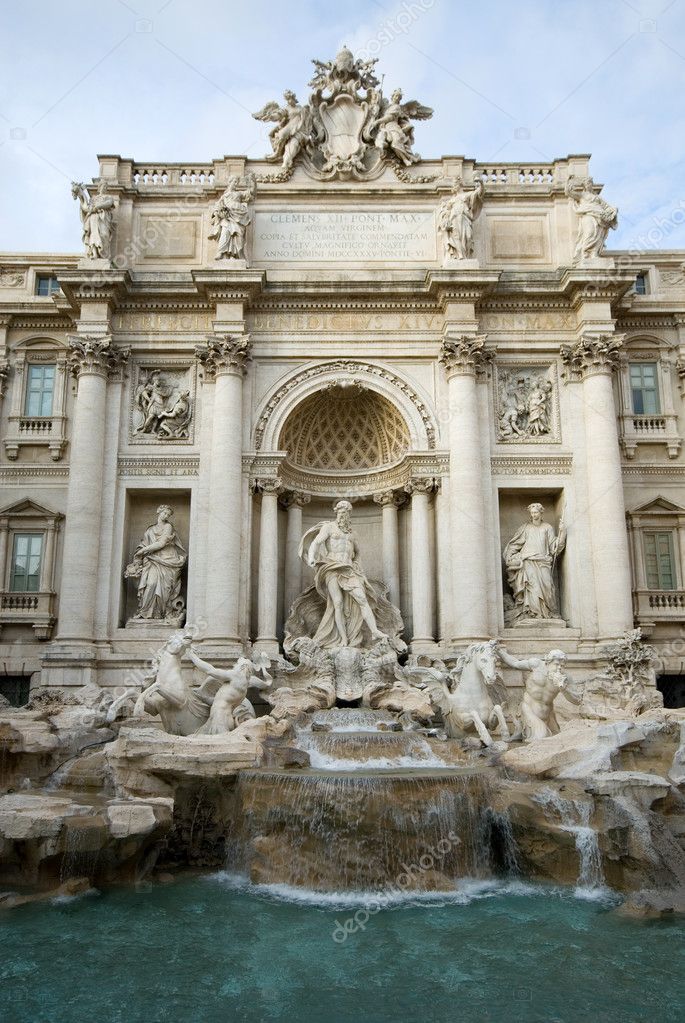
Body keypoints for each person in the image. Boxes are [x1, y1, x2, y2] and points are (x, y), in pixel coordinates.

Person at [300, 500, 386, 649]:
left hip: (348, 569)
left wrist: (358, 567)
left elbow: (357, 553)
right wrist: (312, 557)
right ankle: (343, 639)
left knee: (362, 599)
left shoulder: (352, 534)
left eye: (345, 512)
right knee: (337, 603)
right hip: (332, 568)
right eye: (340, 512)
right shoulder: (329, 527)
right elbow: (316, 542)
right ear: (336, 513)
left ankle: (374, 631)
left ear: (348, 514)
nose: (342, 515)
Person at [503, 503, 565, 622]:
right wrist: (510, 556)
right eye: (532, 513)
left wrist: (562, 533)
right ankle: (532, 613)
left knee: (548, 588)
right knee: (532, 588)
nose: (533, 515)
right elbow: (515, 544)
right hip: (528, 561)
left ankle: (548, 613)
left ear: (541, 513)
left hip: (543, 562)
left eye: (536, 512)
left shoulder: (547, 528)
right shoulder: (525, 528)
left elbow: (555, 548)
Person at [125, 505, 187, 622]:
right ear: (159, 512)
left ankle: (160, 614)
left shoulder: (168, 526)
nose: (166, 516)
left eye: (168, 515)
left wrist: (143, 551)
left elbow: (161, 543)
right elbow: (143, 543)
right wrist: (140, 553)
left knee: (164, 589)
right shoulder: (150, 530)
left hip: (167, 560)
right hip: (152, 560)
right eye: (164, 513)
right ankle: (144, 612)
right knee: (151, 584)